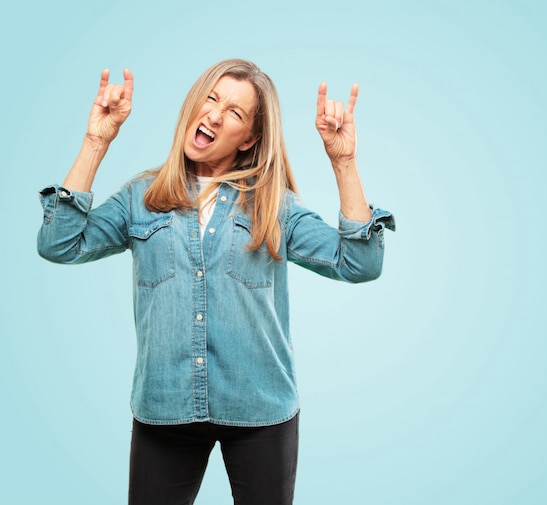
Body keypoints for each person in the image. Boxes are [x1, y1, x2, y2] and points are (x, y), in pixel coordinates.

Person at [37, 58, 395, 505]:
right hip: (165, 409)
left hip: (261, 411)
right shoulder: (140, 199)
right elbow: (59, 244)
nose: (214, 114)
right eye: (211, 98)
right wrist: (96, 141)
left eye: (235, 112)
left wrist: (344, 163)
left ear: (249, 138)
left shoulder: (274, 205)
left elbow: (359, 263)